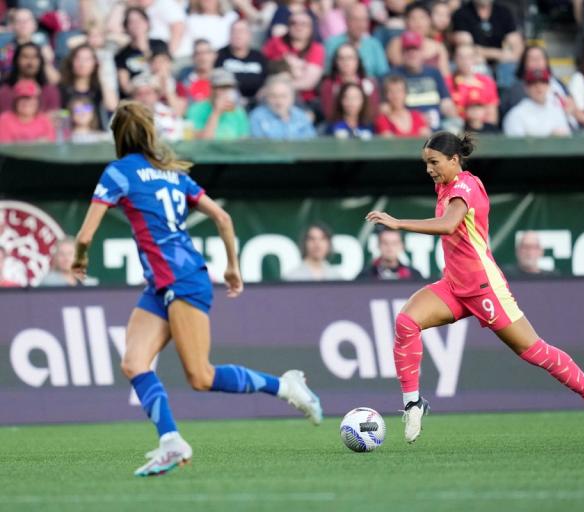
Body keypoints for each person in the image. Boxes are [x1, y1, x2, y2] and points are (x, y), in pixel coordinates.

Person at [73, 100, 322, 476]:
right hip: (165, 283)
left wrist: (79, 258)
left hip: (182, 280)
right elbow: (222, 217)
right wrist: (233, 267)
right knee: (134, 363)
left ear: (118, 137)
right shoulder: (173, 174)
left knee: (201, 377)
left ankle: (284, 386)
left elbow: (86, 234)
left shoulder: (118, 173)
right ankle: (171, 442)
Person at [365, 132, 584, 443]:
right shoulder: (444, 184)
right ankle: (412, 403)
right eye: (425, 163)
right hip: (454, 285)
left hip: (484, 287)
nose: (429, 169)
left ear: (454, 160)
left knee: (534, 351)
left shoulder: (464, 186)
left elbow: (448, 225)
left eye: (434, 162)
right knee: (406, 322)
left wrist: (398, 223)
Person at [390, 30, 456, 131]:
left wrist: (449, 112)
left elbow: (446, 101)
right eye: (408, 50)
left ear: (422, 51)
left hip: (437, 125)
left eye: (415, 49)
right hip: (410, 127)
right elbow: (389, 107)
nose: (412, 53)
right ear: (402, 53)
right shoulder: (394, 75)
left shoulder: (434, 73)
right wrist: (418, 119)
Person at [262, 10, 325, 105]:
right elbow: (262, 69)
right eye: (293, 23)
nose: (298, 27)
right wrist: (300, 69)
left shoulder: (317, 48)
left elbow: (309, 82)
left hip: (305, 99)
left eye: (303, 24)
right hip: (274, 96)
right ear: (288, 26)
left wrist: (284, 84)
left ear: (311, 28)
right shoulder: (275, 43)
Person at [324, 3, 390, 78]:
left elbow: (383, 76)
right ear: (346, 21)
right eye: (355, 19)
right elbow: (327, 74)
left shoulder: (374, 45)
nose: (360, 25)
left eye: (364, 20)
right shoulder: (331, 43)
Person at [114, 7, 169, 98]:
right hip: (137, 95)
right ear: (126, 27)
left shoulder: (159, 44)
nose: (136, 24)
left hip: (159, 92)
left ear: (147, 23)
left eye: (139, 20)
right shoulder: (122, 55)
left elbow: (164, 72)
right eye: (131, 22)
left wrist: (144, 49)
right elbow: (125, 87)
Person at [319, 42, 381, 121]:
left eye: (350, 58)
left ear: (357, 60)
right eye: (341, 58)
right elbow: (328, 113)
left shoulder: (368, 84)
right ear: (336, 62)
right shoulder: (329, 85)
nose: (346, 62)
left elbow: (374, 112)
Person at [59, 43, 119, 125]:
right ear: (71, 62)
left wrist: (102, 75)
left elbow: (112, 106)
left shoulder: (99, 88)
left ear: (95, 63)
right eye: (78, 58)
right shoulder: (62, 88)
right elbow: (59, 113)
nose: (82, 64)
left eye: (87, 59)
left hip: (96, 134)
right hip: (70, 134)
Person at [387, 1, 451, 77]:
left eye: (422, 17)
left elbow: (445, 76)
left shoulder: (438, 47)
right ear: (406, 21)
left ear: (429, 20)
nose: (418, 22)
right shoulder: (396, 43)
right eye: (413, 18)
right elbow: (398, 69)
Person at [502, 68, 571, 137]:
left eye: (543, 82)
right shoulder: (516, 115)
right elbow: (516, 146)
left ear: (549, 86)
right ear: (526, 87)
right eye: (533, 83)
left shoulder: (557, 111)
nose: (539, 87)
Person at [187, 68, 250, 140]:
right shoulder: (196, 109)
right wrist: (216, 113)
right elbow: (203, 142)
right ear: (211, 88)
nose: (226, 91)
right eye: (222, 87)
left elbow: (243, 141)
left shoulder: (238, 111)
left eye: (230, 87)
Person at [216, 19, 268, 103]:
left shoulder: (259, 57)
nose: (237, 35)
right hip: (227, 102)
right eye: (234, 31)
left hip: (256, 102)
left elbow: (266, 80)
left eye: (241, 31)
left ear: (249, 35)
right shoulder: (219, 55)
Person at [0, 42, 61, 113]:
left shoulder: (49, 91)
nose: (30, 61)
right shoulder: (5, 91)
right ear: (16, 60)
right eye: (25, 57)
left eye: (35, 57)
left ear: (40, 61)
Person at [249, 75, 317, 139]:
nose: (279, 101)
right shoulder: (257, 117)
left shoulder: (301, 117)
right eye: (273, 96)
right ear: (267, 97)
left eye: (283, 96)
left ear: (292, 97)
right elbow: (258, 147)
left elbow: (310, 144)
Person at [447, 43, 499, 125]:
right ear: (455, 59)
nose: (465, 61)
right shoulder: (448, 82)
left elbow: (492, 116)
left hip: (482, 130)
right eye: (460, 57)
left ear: (475, 59)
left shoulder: (487, 82)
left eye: (469, 57)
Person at [356, 226, 423, 280]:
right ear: (378, 245)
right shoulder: (365, 276)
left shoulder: (414, 276)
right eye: (385, 243)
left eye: (394, 243)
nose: (390, 247)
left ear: (402, 246)